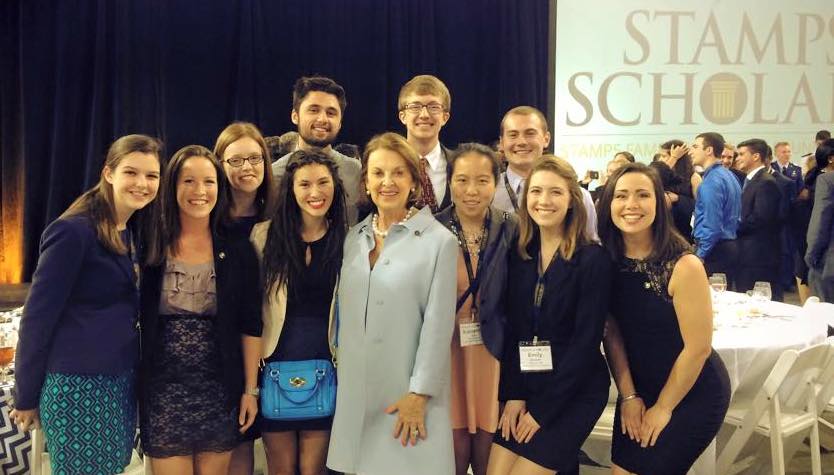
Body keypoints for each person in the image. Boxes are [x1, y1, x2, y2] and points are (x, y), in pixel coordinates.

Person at [12, 135, 162, 474]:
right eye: (131, 172)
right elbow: (37, 318)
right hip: (78, 385)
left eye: (151, 176)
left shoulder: (127, 229)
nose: (142, 183)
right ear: (109, 173)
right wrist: (25, 394)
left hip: (117, 380)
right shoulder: (73, 231)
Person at [327, 132, 457, 475]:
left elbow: (438, 325)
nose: (388, 182)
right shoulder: (354, 239)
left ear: (414, 181)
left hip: (408, 396)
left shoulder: (439, 241)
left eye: (399, 173)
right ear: (366, 181)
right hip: (355, 394)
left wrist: (420, 394)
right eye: (378, 173)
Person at [597, 162, 730, 474]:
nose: (631, 205)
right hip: (639, 391)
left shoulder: (684, 266)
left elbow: (698, 349)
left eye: (642, 195)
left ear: (659, 202)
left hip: (692, 391)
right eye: (621, 196)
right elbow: (611, 333)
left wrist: (664, 408)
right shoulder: (606, 260)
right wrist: (629, 397)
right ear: (609, 204)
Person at [140, 145, 262, 474]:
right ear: (172, 187)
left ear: (219, 189)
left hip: (219, 388)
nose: (199, 191)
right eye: (188, 181)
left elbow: (251, 325)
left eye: (208, 182)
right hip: (163, 389)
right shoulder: (149, 242)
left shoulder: (238, 248)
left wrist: (250, 391)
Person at [487, 156, 611, 475]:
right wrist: (514, 395)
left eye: (555, 192)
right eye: (536, 191)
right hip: (529, 384)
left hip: (576, 389)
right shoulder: (520, 254)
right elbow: (513, 330)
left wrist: (542, 412)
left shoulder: (592, 259)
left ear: (572, 199)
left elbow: (585, 345)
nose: (544, 201)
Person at [250, 150, 348, 474]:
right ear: (291, 189)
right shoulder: (263, 236)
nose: (315, 192)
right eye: (305, 184)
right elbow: (250, 312)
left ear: (336, 186)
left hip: (326, 366)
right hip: (275, 364)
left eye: (323, 183)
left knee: (314, 470)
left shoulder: (349, 239)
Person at [435, 143, 518, 475]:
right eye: (462, 180)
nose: (472, 190)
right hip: (447, 352)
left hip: (495, 351)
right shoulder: (430, 230)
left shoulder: (513, 228)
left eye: (482, 180)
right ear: (450, 182)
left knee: (489, 450)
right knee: (451, 453)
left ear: (495, 183)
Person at [493, 106, 599, 241]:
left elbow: (590, 245)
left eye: (530, 133)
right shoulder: (489, 193)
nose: (521, 142)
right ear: (502, 143)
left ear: (546, 139)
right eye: (513, 135)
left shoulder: (577, 196)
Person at [272, 76, 362, 224]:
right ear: (295, 116)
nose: (322, 119)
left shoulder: (355, 171)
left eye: (331, 113)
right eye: (313, 110)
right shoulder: (274, 175)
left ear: (340, 123)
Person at [733, 139, 784, 300]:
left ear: (755, 156)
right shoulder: (750, 180)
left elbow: (760, 219)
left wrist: (730, 226)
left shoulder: (765, 182)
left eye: (741, 154)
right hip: (749, 255)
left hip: (760, 258)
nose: (737, 158)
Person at [690, 132, 741, 287]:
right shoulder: (730, 176)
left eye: (695, 146)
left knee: (710, 303)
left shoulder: (711, 181)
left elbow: (712, 225)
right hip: (727, 246)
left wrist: (700, 255)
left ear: (709, 150)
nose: (691, 151)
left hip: (713, 250)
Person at [398, 74, 454, 213]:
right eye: (415, 107)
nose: (424, 115)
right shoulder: (387, 164)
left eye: (433, 107)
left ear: (445, 117)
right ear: (403, 116)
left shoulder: (458, 164)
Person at [215, 122, 275, 239]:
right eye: (236, 160)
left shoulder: (279, 216)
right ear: (220, 165)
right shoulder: (209, 219)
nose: (247, 167)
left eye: (254, 158)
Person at [805, 138, 834, 302]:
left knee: (826, 318)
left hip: (828, 264)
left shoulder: (827, 180)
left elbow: (821, 220)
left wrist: (811, 255)